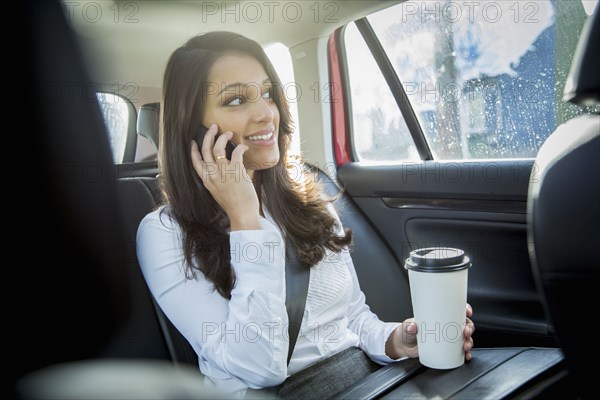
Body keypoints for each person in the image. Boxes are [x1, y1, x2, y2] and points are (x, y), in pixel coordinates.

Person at [136, 31, 475, 398]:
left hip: (366, 382)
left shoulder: (308, 200)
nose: (267, 113)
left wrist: (398, 340)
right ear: (193, 127)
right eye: (235, 100)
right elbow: (261, 368)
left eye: (267, 93)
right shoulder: (164, 233)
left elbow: (353, 319)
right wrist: (246, 221)